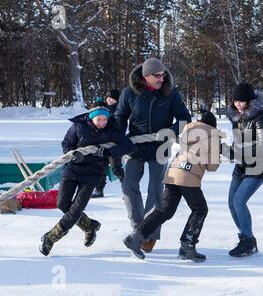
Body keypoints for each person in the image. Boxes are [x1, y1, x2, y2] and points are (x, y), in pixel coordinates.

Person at [115, 58, 191, 253]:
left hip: (160, 146)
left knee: (155, 188)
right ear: (145, 77)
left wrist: (170, 131)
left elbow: (184, 119)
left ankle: (150, 232)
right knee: (129, 186)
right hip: (135, 146)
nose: (161, 78)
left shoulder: (171, 93)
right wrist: (118, 139)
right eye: (157, 76)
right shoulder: (129, 93)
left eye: (163, 74)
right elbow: (120, 117)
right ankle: (138, 228)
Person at [123, 110, 220, 262]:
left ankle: (135, 237)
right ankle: (187, 245)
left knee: (164, 210)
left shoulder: (189, 132)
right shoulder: (212, 135)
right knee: (200, 209)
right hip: (188, 176)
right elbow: (212, 166)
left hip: (173, 173)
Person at [39, 106, 134, 256]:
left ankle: (50, 237)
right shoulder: (78, 126)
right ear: (91, 118)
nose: (102, 122)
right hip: (73, 169)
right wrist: (74, 153)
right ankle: (90, 226)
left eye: (105, 119)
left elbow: (128, 145)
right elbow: (66, 143)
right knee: (62, 204)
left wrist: (109, 151)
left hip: (93, 174)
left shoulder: (111, 129)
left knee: (76, 209)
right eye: (99, 119)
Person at [224, 83, 263, 257]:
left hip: (258, 165)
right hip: (241, 165)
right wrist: (225, 150)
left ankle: (247, 239)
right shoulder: (237, 118)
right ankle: (247, 238)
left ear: (250, 101)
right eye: (236, 101)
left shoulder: (259, 118)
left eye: (242, 101)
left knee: (239, 200)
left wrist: (240, 153)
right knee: (231, 202)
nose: (238, 104)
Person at [92, 90, 125, 198]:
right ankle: (99, 189)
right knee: (101, 167)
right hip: (102, 144)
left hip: (114, 145)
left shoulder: (120, 110)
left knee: (116, 168)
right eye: (107, 97)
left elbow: (120, 127)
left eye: (112, 98)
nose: (109, 99)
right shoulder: (104, 109)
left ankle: (127, 188)